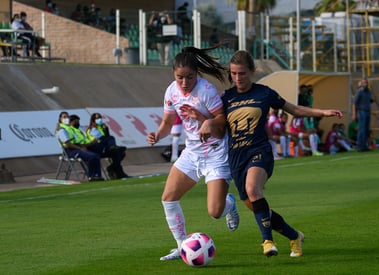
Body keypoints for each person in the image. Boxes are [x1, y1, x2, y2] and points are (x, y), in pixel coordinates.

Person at [221, 50, 343, 257]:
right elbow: (216, 122)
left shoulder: (264, 93)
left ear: (252, 71)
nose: (237, 78)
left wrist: (322, 112)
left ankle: (267, 242)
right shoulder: (226, 97)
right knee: (257, 206)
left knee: (253, 189)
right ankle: (294, 236)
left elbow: (294, 109)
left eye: (242, 73)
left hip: (259, 151)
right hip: (236, 157)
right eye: (233, 74)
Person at [146, 46, 240, 261]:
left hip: (216, 154)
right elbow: (168, 121)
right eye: (180, 77)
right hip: (192, 153)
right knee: (168, 198)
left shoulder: (206, 91)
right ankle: (181, 247)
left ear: (197, 74)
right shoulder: (171, 91)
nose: (185, 82)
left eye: (190, 77)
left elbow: (223, 124)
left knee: (215, 212)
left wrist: (204, 120)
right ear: (173, 74)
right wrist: (158, 135)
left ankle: (231, 203)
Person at [55, 112, 104, 181]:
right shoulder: (61, 130)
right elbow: (68, 144)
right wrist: (80, 148)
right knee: (92, 156)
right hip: (70, 150)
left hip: (76, 147)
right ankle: (92, 176)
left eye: (67, 117)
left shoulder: (69, 128)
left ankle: (97, 175)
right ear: (60, 119)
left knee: (96, 155)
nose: (66, 118)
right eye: (64, 117)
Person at [86, 112, 128, 179]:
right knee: (111, 138)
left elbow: (106, 138)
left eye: (100, 117)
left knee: (120, 153)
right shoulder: (92, 129)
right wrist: (107, 136)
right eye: (97, 118)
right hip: (97, 147)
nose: (99, 119)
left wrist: (106, 129)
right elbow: (101, 138)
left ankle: (116, 170)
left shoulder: (101, 127)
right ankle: (112, 148)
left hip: (104, 146)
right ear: (93, 120)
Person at [352, 78, 372, 152]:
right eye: (364, 83)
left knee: (366, 129)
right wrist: (354, 114)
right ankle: (360, 146)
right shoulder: (359, 91)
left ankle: (364, 145)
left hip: (367, 111)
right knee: (362, 129)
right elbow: (354, 103)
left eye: (366, 83)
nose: (365, 84)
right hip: (361, 111)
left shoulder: (368, 92)